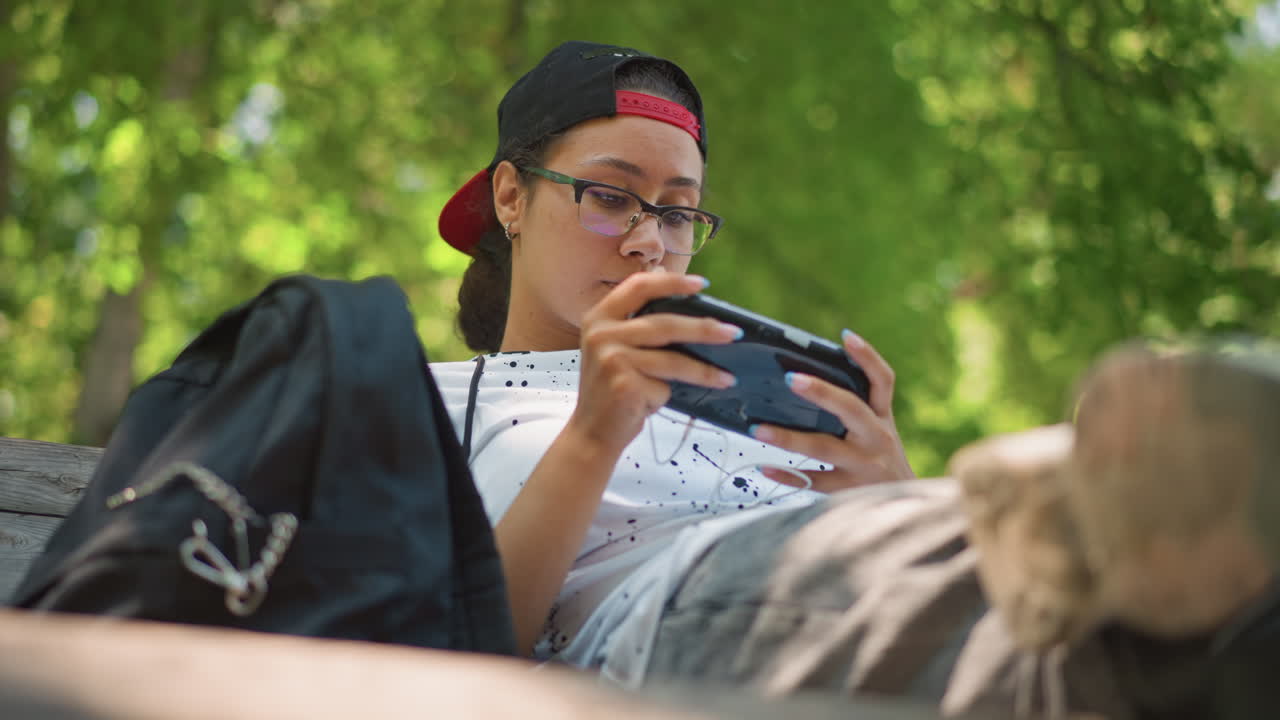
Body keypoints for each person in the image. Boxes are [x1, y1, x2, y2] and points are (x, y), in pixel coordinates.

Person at [432, 41, 1280, 718]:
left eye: (679, 210)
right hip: (679, 611)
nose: (650, 241)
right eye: (609, 197)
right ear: (511, 196)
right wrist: (592, 432)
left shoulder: (727, 382)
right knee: (1014, 569)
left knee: (1070, 611)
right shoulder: (428, 401)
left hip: (871, 583)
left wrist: (886, 485)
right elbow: (454, 648)